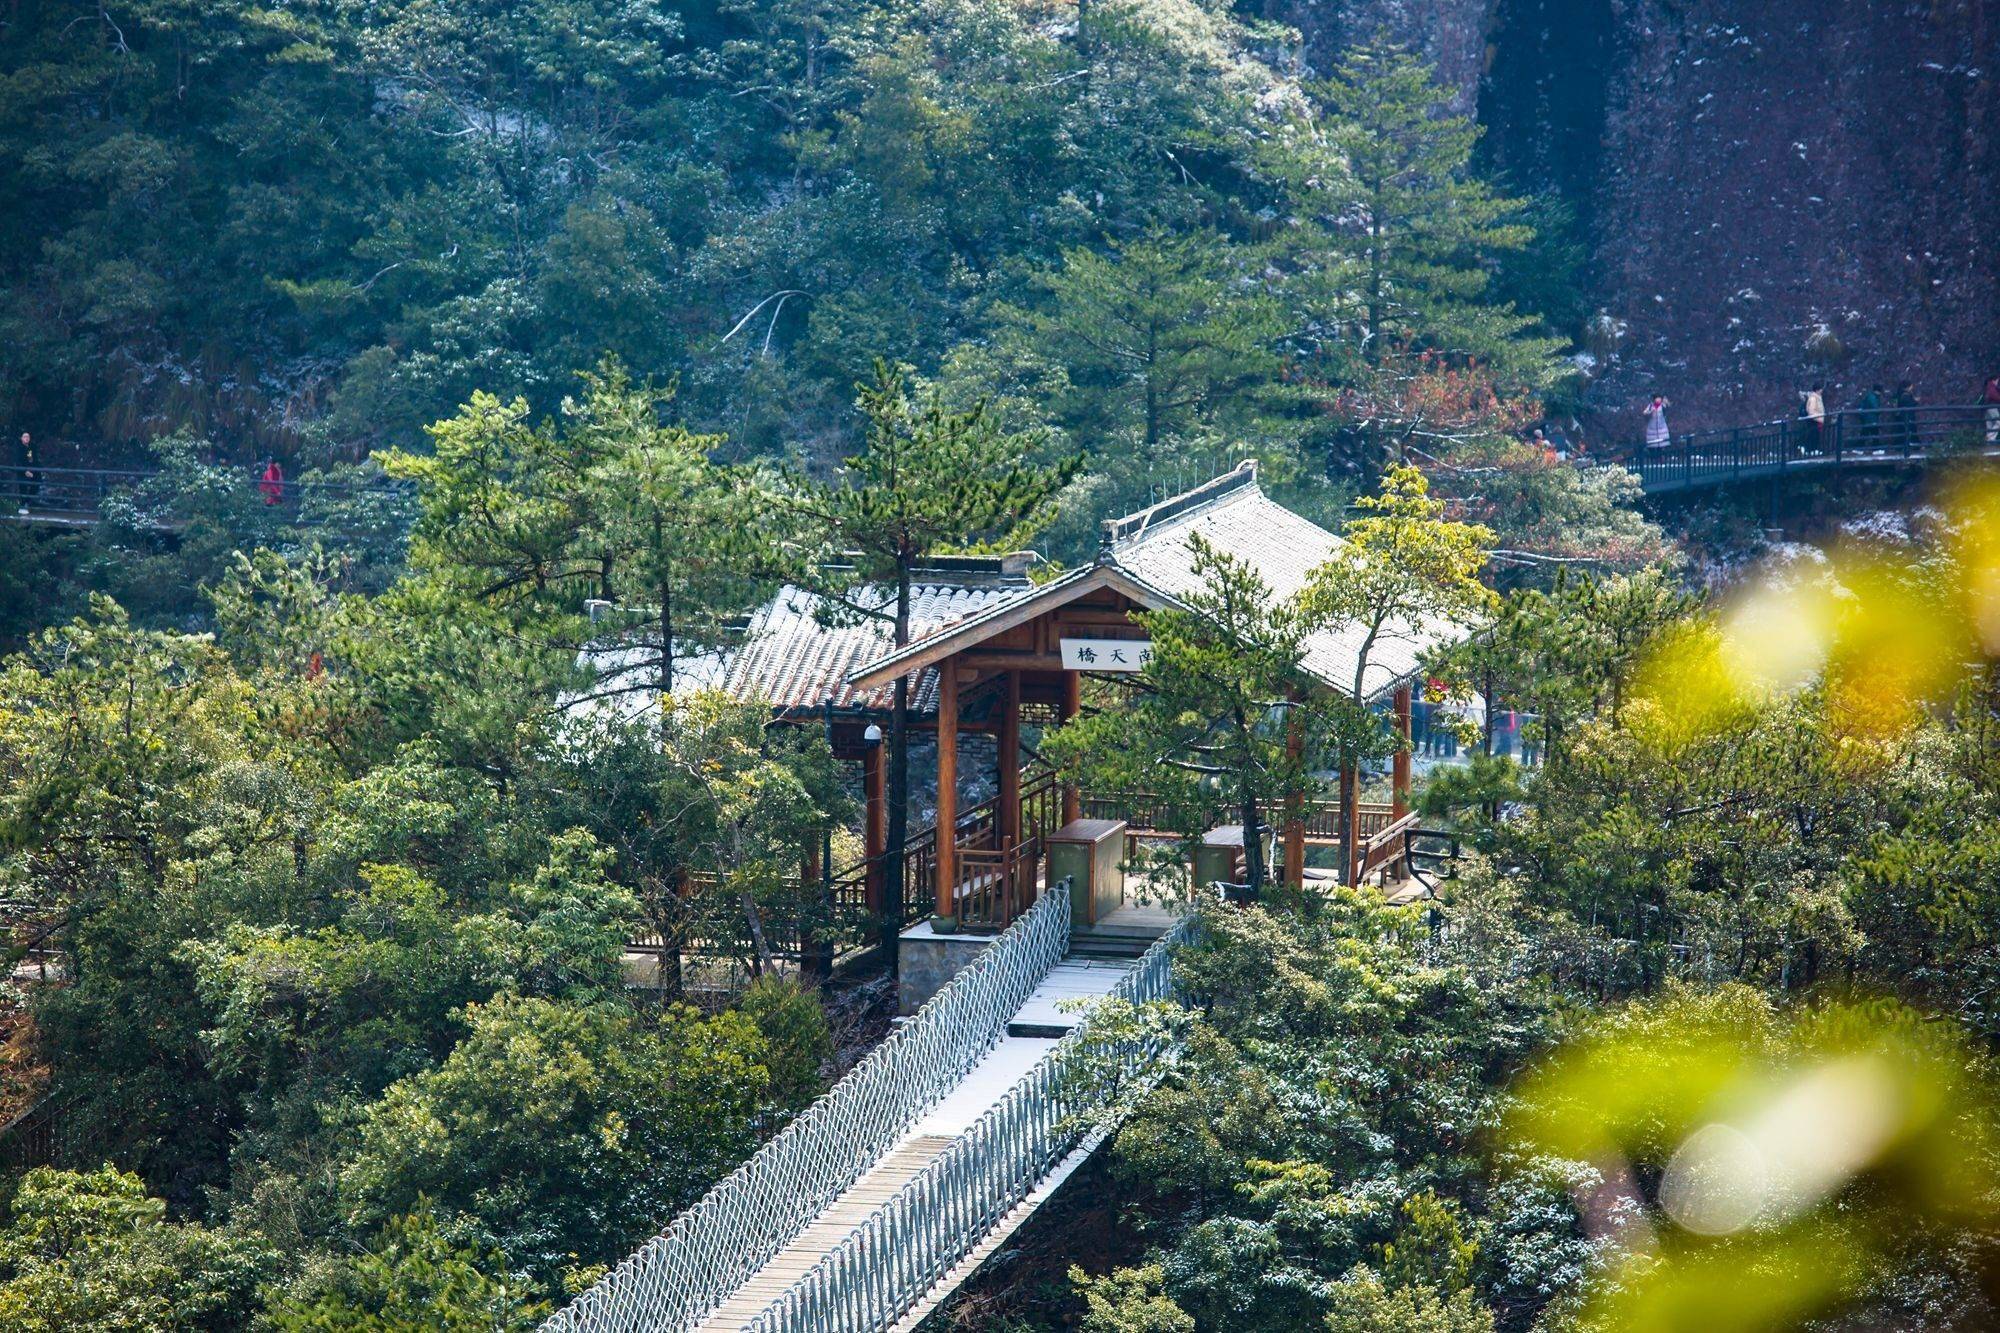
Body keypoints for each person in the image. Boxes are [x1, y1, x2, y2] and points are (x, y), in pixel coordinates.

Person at [1800, 383, 1827, 453]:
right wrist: (1818, 417)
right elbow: (1811, 410)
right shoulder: (1814, 398)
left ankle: (1813, 449)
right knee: (1813, 435)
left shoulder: (1817, 397)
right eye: (1820, 389)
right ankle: (1811, 450)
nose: (1822, 390)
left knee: (1815, 435)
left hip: (1817, 419)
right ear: (1817, 390)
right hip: (1815, 420)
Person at [1893, 380, 1919, 450]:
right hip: (1907, 416)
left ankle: (1899, 447)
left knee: (1902, 432)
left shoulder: (1900, 393)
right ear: (1908, 386)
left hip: (1902, 416)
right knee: (1909, 431)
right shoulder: (1906, 395)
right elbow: (1909, 405)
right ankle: (1914, 447)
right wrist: (1915, 401)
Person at [15, 432, 37, 515]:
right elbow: (18, 461)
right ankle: (22, 506)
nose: (27, 438)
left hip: (31, 470)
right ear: (21, 438)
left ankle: (26, 502)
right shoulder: (19, 448)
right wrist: (25, 471)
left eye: (28, 436)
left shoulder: (30, 448)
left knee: (35, 486)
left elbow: (30, 458)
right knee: (23, 487)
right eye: (25, 436)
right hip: (22, 472)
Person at [1983, 374, 1999, 446]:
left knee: (1989, 425)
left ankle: (1988, 443)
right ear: (1994, 380)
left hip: (1986, 408)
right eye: (1998, 380)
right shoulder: (1992, 387)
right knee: (1999, 423)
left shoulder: (1987, 386)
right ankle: (1989, 438)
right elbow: (1996, 397)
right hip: (1992, 407)